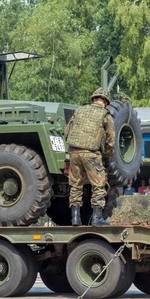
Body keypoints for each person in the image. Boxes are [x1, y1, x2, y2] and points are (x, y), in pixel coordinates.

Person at [65, 87, 114, 227]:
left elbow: (68, 131)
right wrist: (108, 155)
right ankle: (97, 218)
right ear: (105, 101)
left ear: (93, 99)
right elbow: (111, 139)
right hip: (91, 154)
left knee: (75, 185)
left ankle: (75, 218)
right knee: (98, 185)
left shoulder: (79, 110)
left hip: (74, 153)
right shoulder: (105, 115)